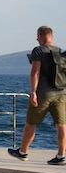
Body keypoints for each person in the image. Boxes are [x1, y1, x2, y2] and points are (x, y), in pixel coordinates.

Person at [9, 25, 66, 165]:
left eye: (37, 36)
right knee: (62, 125)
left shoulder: (38, 50)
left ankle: (22, 152)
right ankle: (61, 155)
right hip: (61, 93)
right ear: (51, 36)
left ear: (40, 36)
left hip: (43, 94)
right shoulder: (61, 52)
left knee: (31, 123)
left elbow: (35, 72)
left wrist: (33, 92)